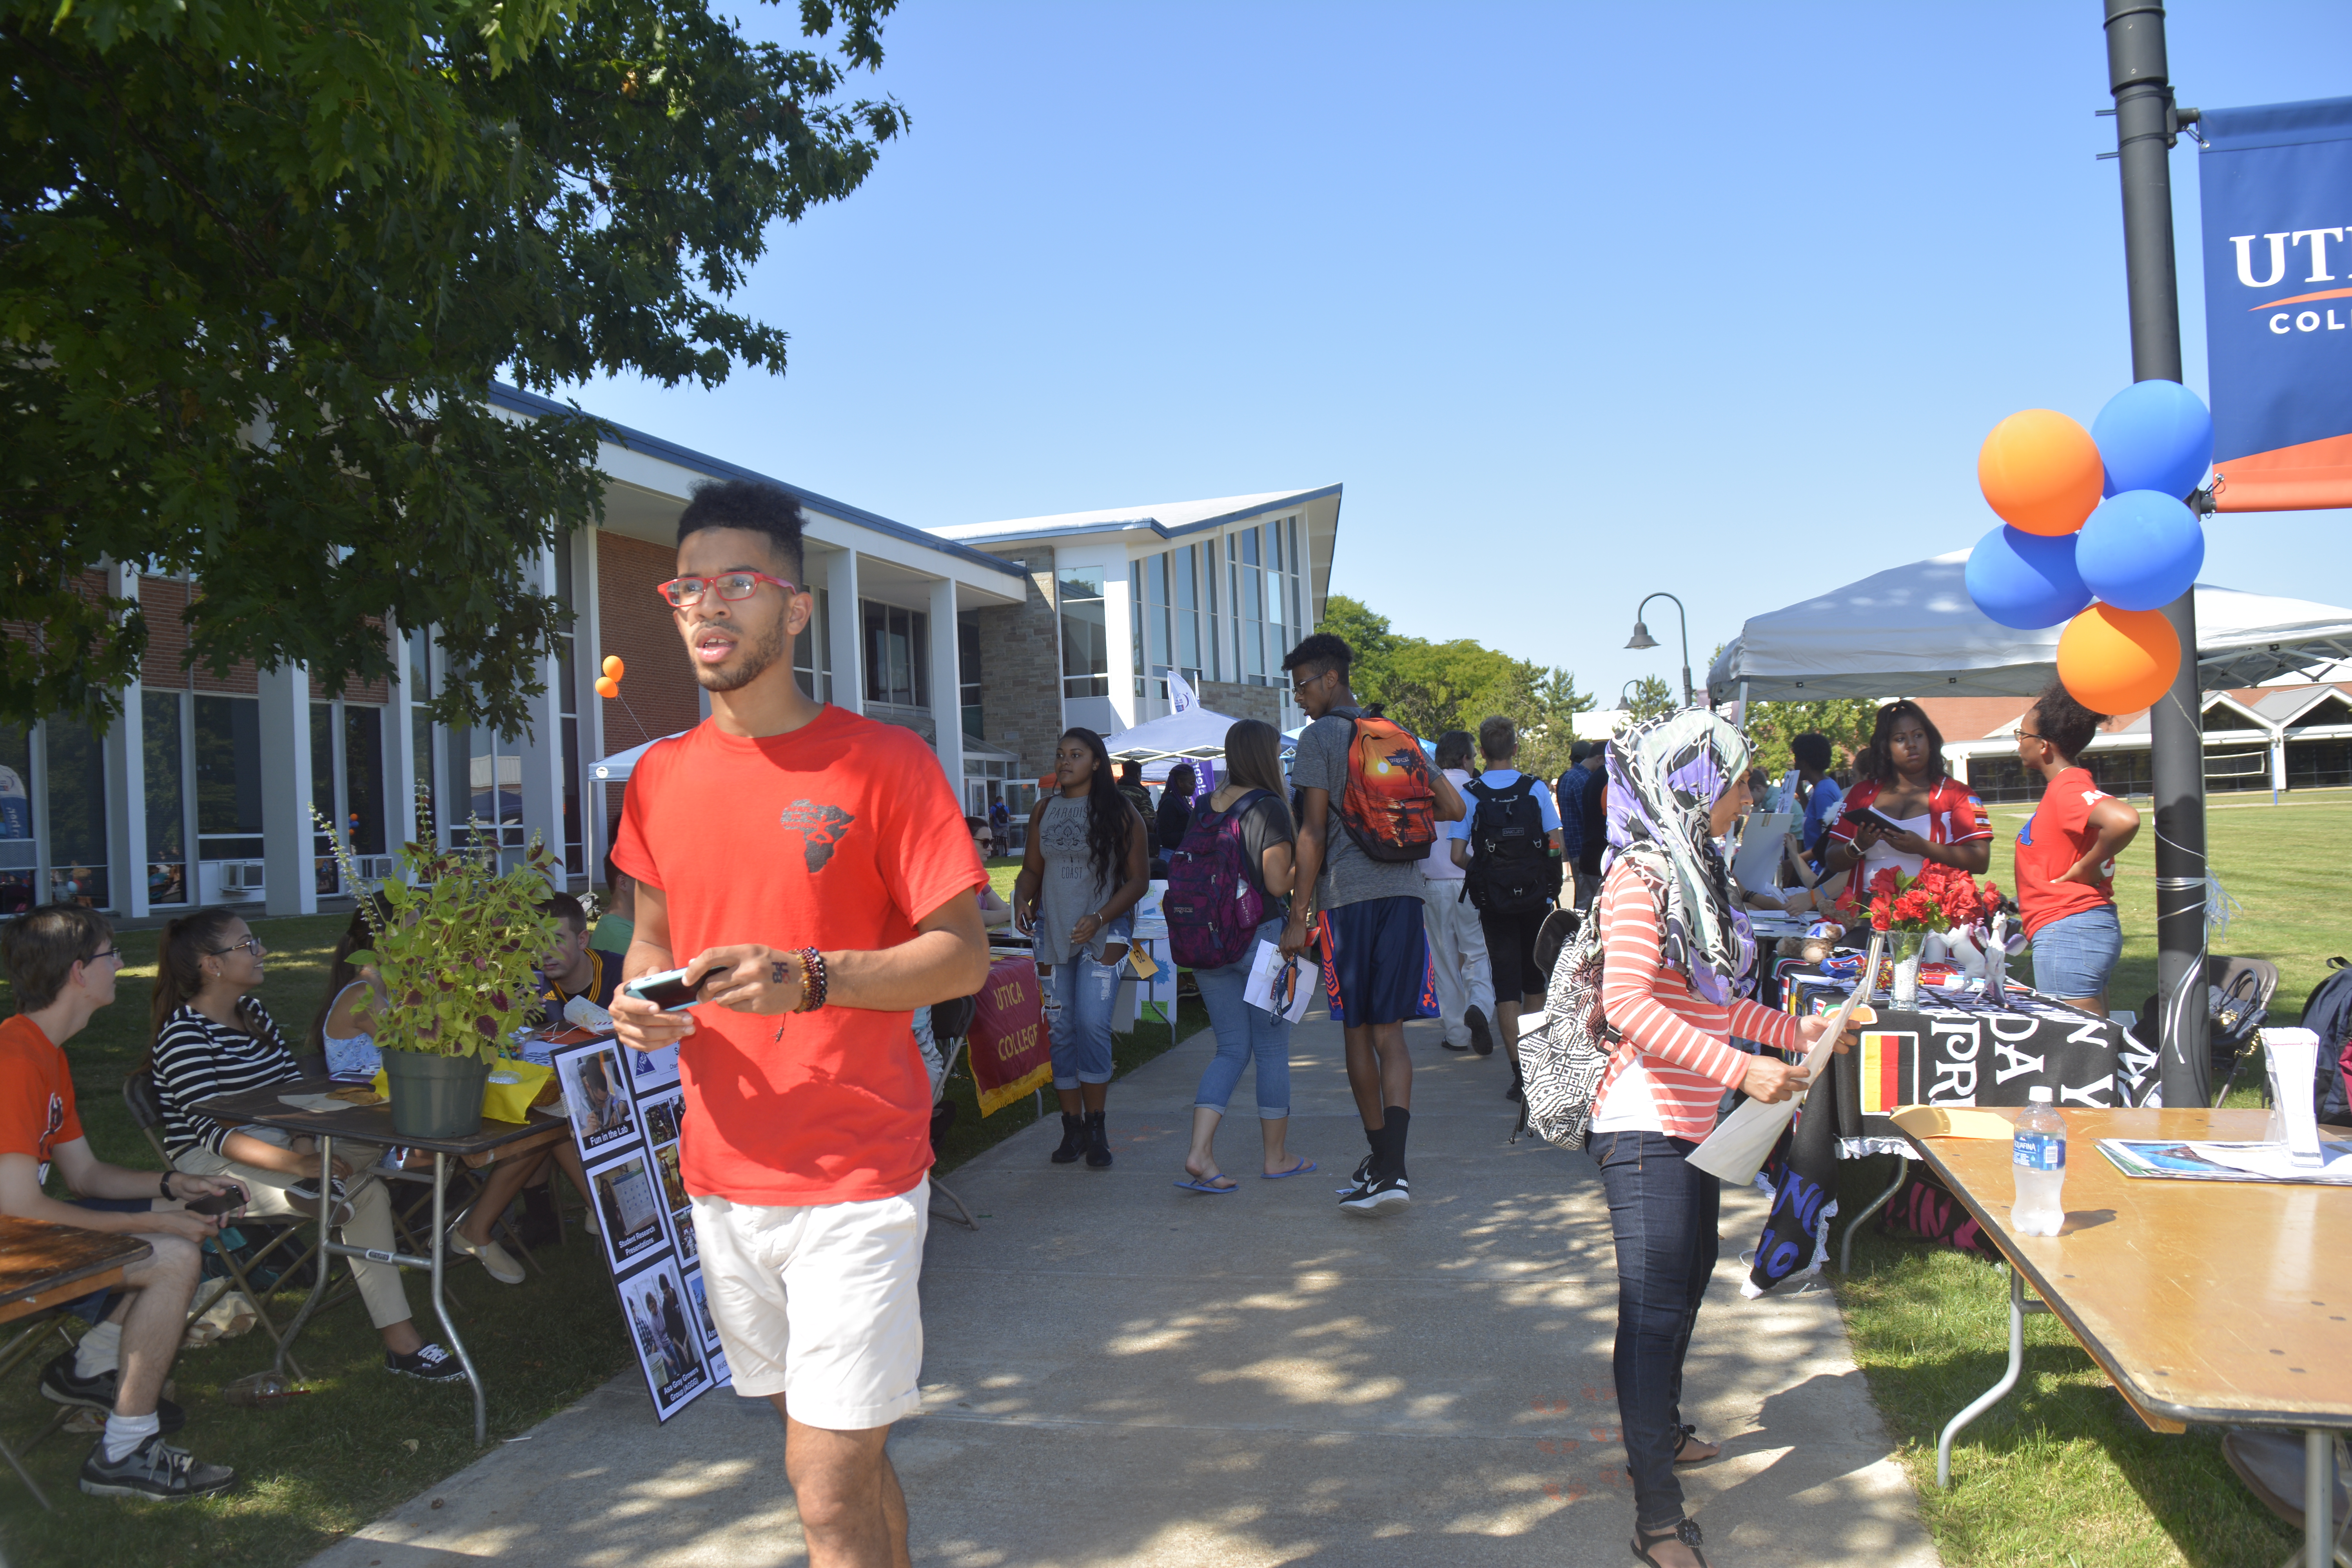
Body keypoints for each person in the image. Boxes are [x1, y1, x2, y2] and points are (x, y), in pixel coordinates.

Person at [605, 477, 989, 1568]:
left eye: (739, 583)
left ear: (797, 609)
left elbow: (960, 958)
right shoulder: (660, 777)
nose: (706, 607)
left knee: (820, 1494)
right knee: (844, 1461)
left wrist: (811, 978)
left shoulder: (885, 764)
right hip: (724, 1175)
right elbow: (649, 939)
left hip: (856, 1177)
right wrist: (638, 1003)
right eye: (689, 586)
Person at [1586, 713, 1855, 1568]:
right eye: (1741, 780)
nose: (1753, 794)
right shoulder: (1640, 874)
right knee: (1655, 1304)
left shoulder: (1694, 870)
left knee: (1687, 1278)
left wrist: (1799, 1029)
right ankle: (1658, 1518)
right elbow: (1628, 1004)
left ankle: (1659, 1432)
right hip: (1642, 1119)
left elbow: (1713, 1003)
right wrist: (1742, 1071)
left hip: (1692, 1115)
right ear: (1698, 785)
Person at [146, 907, 467, 1383]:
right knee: (367, 1192)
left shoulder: (252, 1015)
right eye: (248, 945)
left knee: (359, 1180)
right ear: (212, 965)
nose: (262, 952)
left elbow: (290, 1091)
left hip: (278, 1138)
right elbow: (216, 1134)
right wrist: (301, 1160)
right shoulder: (184, 1035)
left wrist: (304, 1144)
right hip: (211, 1163)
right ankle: (401, 1341)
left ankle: (325, 1190)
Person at [0, 904, 242, 1499]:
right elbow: (19, 1205)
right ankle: (126, 1450)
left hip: (18, 1230)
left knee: (176, 1225)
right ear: (80, 972)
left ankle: (90, 1368)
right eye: (113, 955)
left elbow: (84, 1175)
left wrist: (171, 1187)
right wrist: (152, 1225)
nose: (122, 965)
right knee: (173, 1255)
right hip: (13, 1240)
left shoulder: (46, 1053)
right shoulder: (14, 1061)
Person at [1278, 633, 1466, 1214]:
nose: (1300, 698)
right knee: (1393, 1034)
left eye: (1304, 685)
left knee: (1357, 1033)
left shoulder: (1321, 739)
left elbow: (1311, 833)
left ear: (1331, 678)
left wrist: (1296, 916)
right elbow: (1454, 809)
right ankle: (1391, 1169)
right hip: (1405, 894)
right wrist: (1390, 808)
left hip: (1347, 901)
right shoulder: (1398, 735)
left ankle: (1385, 1164)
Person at [1174, 720, 1312, 1190]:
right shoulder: (1269, 806)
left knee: (1230, 1048)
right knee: (1271, 1049)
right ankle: (1276, 1157)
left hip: (1207, 943)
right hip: (1262, 937)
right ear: (1265, 755)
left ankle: (1200, 1152)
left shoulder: (1205, 806)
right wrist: (1309, 861)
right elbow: (1277, 883)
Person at [444, 894, 607, 1272]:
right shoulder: (527, 983)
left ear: (583, 941)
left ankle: (486, 1226)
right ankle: (599, 1204)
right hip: (541, 1096)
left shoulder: (615, 974)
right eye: (536, 942)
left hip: (609, 1092)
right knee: (552, 1115)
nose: (544, 953)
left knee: (553, 1117)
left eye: (556, 941)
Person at [1012, 727, 1150, 1168]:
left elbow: (1139, 880)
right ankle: (1071, 1129)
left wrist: (1102, 916)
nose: (1064, 761)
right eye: (1060, 754)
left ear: (1096, 763)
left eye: (1075, 754)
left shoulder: (1121, 811)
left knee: (1092, 1024)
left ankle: (1097, 1127)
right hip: (1052, 931)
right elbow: (1031, 871)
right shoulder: (1043, 812)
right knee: (1061, 1028)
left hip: (1104, 932)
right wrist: (1020, 897)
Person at [2013, 681, 2140, 1015]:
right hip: (2075, 927)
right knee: (2096, 1046)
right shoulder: (2067, 787)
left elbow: (2124, 819)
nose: (2018, 744)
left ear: (2042, 746)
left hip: (2070, 927)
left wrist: (2087, 865)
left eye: (2021, 735)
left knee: (2079, 1053)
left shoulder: (2067, 787)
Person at [1453, 715, 1562, 1102]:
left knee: (1504, 988)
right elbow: (1555, 842)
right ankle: (1536, 1068)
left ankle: (1520, 1078)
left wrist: (1486, 874)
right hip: (1535, 899)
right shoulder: (1535, 789)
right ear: (1515, 748)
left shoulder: (1471, 792)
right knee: (1535, 984)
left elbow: (1456, 855)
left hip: (1494, 904)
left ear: (1481, 752)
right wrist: (1543, 872)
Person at [1820, 701, 1991, 906]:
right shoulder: (1862, 794)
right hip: (1869, 909)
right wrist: (1858, 845)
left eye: (1918, 735)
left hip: (1934, 912)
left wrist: (1923, 847)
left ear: (1930, 741)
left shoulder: (1958, 794)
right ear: (1886, 749)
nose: (1911, 744)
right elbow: (1832, 859)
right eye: (1900, 739)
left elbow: (1981, 861)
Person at [1421, 731, 1495, 1056]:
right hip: (1471, 878)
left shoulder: (1425, 789)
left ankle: (1455, 1033)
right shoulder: (1477, 790)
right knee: (1477, 953)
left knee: (1444, 960)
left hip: (1432, 882)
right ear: (1466, 758)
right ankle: (1479, 1005)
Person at [1554, 739, 1603, 911]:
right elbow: (1589, 816)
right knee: (1587, 902)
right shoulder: (1584, 780)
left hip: (1573, 846)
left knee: (1583, 897)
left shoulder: (1567, 777)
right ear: (1599, 759)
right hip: (1584, 849)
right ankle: (1578, 935)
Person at [961, 817, 1014, 928]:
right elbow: (974, 917)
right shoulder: (955, 877)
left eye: (991, 842)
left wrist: (1029, 911)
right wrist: (1016, 912)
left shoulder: (976, 876)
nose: (990, 848)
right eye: (985, 842)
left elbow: (1002, 908)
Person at [1152, 762, 1197, 877]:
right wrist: (1190, 835)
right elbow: (1164, 835)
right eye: (1192, 783)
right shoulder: (1170, 803)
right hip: (1171, 857)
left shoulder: (1181, 801)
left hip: (1179, 855)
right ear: (1180, 783)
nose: (1195, 787)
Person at [1115, 760, 1157, 857]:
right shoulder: (1141, 794)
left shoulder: (1112, 791)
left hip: (1108, 840)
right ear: (1138, 775)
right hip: (1132, 842)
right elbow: (1148, 822)